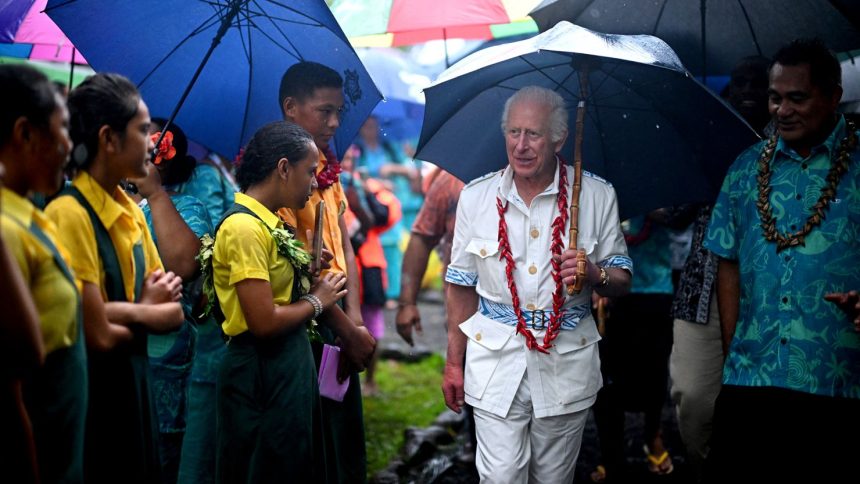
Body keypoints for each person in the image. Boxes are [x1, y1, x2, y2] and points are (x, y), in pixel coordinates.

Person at [442, 86, 632, 483]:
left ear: (561, 138)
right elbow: (460, 286)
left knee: (552, 477)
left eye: (534, 134)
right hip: (494, 360)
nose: (522, 146)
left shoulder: (596, 195)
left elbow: (622, 280)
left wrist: (594, 274)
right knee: (501, 477)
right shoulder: (477, 197)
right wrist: (453, 364)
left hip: (567, 364)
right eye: (514, 132)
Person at [703, 39, 860, 482]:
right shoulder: (745, 168)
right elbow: (727, 260)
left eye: (797, 98)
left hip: (838, 377)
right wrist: (736, 348)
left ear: (833, 96)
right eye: (776, 98)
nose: (781, 110)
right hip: (753, 377)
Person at [45, 72, 184, 483]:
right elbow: (98, 336)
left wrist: (120, 313)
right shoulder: (69, 215)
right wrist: (143, 310)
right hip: (91, 397)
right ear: (108, 139)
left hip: (135, 390)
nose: (154, 142)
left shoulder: (129, 210)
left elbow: (174, 314)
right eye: (143, 130)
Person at [213, 121, 347, 483]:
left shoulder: (267, 224)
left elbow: (273, 286)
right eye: (309, 172)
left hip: (282, 367)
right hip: (259, 372)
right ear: (284, 168)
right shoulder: (244, 228)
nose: (314, 183)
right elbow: (263, 320)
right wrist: (317, 301)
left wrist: (304, 265)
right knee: (263, 465)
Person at [668, 55, 771, 483]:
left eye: (757, 84)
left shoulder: (786, 146)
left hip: (765, 293)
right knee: (692, 396)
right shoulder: (712, 139)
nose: (748, 90)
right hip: (701, 289)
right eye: (739, 82)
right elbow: (674, 214)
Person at [277, 61, 376, 482]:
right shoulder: (280, 172)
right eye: (324, 111)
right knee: (309, 447)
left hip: (337, 322)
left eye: (339, 111)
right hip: (304, 325)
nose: (335, 122)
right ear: (291, 108)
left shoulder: (329, 174)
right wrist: (344, 325)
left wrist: (354, 319)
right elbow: (297, 273)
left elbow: (344, 246)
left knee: (342, 441)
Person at [0, 64, 82, 484]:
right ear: (25, 134)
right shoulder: (5, 231)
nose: (70, 145)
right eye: (63, 128)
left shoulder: (32, 213)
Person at [132, 118, 212, 484]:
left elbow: (185, 265)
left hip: (160, 360)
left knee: (159, 457)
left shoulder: (188, 208)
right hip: (99, 345)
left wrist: (155, 195)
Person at [395, 168, 464, 347]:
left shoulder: (545, 178)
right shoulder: (452, 180)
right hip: (463, 312)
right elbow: (422, 238)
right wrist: (407, 303)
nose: (520, 145)